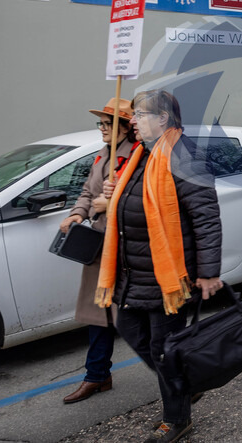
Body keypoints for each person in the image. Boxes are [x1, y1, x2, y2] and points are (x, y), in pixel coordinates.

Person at [97, 90, 221, 443]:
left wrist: (209, 272)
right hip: (135, 272)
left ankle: (177, 418)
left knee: (164, 349)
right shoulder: (141, 154)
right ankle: (184, 383)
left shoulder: (184, 154)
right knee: (130, 327)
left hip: (168, 276)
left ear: (163, 119)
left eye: (139, 115)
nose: (132, 121)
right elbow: (134, 203)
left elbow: (206, 217)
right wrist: (115, 190)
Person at [59, 98, 136, 405]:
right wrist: (79, 213)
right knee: (98, 314)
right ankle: (97, 375)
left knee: (136, 321)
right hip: (100, 245)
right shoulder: (102, 155)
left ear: (126, 127)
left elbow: (140, 198)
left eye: (109, 124)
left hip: (128, 248)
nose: (103, 129)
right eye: (101, 124)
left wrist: (111, 203)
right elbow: (87, 193)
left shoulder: (137, 156)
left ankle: (178, 376)